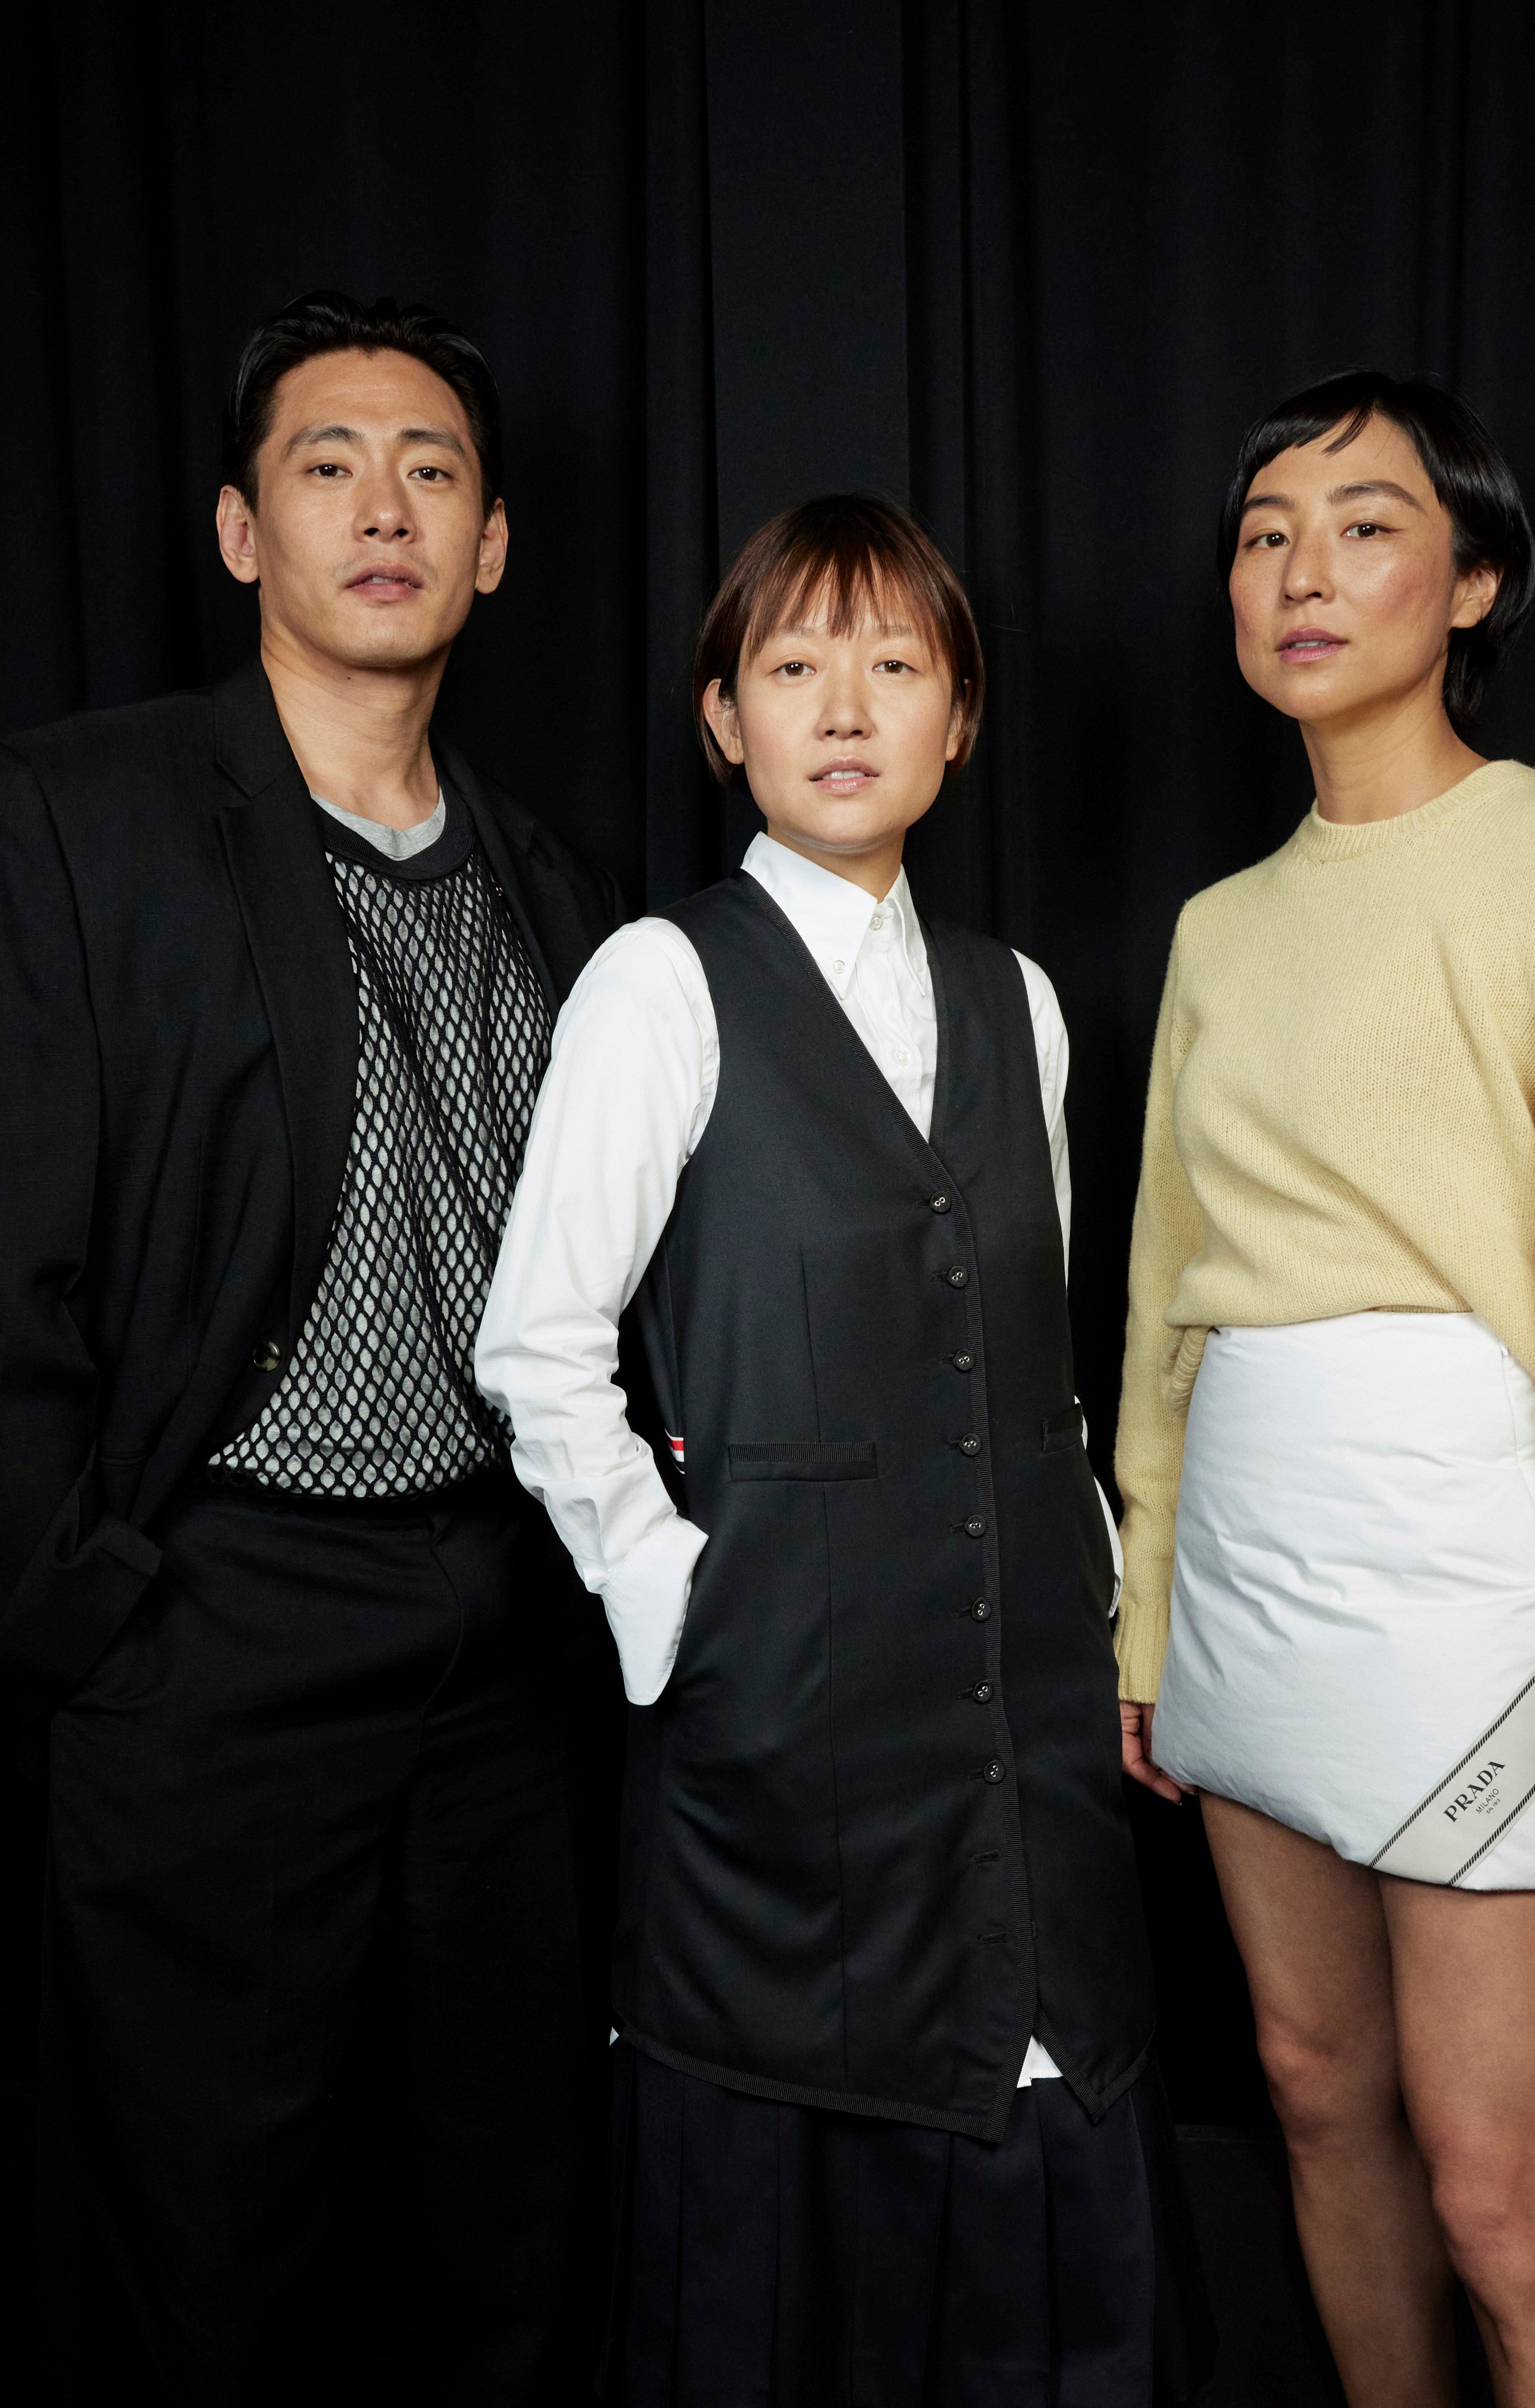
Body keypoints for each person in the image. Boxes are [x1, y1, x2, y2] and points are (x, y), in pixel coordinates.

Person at [0, 290, 625, 2403]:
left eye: (433, 472)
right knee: (205, 2245)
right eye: (328, 464)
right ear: (241, 530)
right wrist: (98, 1611)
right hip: (212, 1625)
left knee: (499, 2221)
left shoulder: (555, 893)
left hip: (495, 1650)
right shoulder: (74, 817)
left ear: (493, 545)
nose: (383, 508)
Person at [478, 494, 1213, 2407]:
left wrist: (1108, 1602)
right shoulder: (662, 979)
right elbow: (540, 1348)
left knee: (1045, 2151)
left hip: (1028, 1716)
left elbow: (1040, 1368)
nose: (844, 709)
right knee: (805, 2213)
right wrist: (677, 1605)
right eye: (793, 667)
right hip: (776, 1730)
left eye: (895, 666)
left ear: (960, 720)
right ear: (723, 716)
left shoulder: (1019, 1000)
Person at [1113, 369, 1535, 2406]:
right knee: (1309, 2092)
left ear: (1472, 581)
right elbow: (1165, 1304)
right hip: (1249, 1574)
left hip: (1472, 1578)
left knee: (1504, 2194)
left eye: (1366, 524)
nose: (1304, 569)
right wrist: (1145, 1613)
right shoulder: (1220, 930)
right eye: (1266, 530)